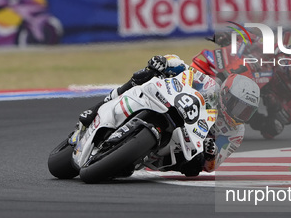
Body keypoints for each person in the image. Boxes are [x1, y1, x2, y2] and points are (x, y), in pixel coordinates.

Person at [78, 54, 260, 176]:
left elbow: (212, 166)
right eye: (239, 107)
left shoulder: (235, 132)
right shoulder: (211, 86)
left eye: (246, 112)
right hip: (170, 103)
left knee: (194, 168)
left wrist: (211, 154)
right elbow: (186, 69)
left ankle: (135, 157)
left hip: (186, 143)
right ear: (226, 95)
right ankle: (96, 108)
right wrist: (164, 62)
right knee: (145, 76)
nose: (240, 115)